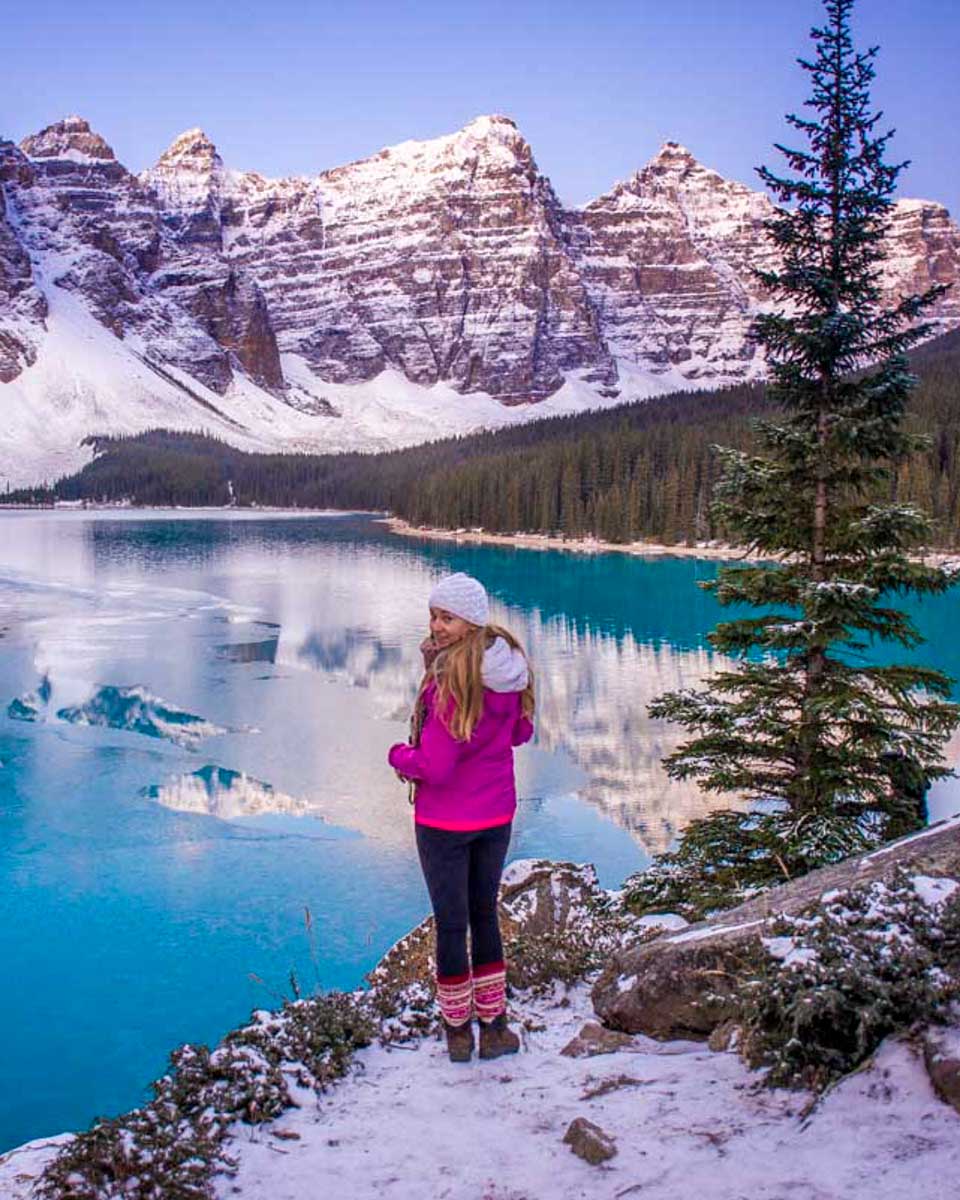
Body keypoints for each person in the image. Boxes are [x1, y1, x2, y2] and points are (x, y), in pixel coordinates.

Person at [388, 572, 535, 1063]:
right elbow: (519, 734)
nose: (436, 625)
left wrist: (397, 756)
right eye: (433, 615)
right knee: (484, 915)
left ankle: (456, 1031)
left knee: (452, 925)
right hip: (495, 816)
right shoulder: (508, 671)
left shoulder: (450, 686)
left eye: (446, 617)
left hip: (445, 823)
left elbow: (435, 764)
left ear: (470, 623)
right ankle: (494, 1027)